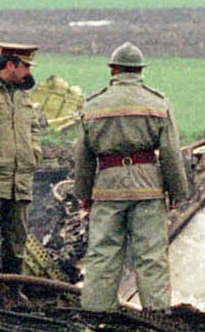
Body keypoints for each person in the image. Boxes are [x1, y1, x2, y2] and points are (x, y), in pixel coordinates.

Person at [73, 42, 190, 311]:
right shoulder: (157, 103)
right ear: (140, 71)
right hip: (148, 188)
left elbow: (83, 156)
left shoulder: (93, 105)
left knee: (102, 254)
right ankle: (156, 314)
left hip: (107, 188)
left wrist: (84, 194)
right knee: (151, 255)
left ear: (113, 70)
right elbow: (171, 153)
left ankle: (97, 314)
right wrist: (177, 192)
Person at [0, 42, 42, 275]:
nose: (29, 72)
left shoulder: (24, 94)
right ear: (10, 65)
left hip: (21, 178)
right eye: (26, 66)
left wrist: (34, 152)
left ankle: (13, 285)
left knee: (17, 237)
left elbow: (33, 127)